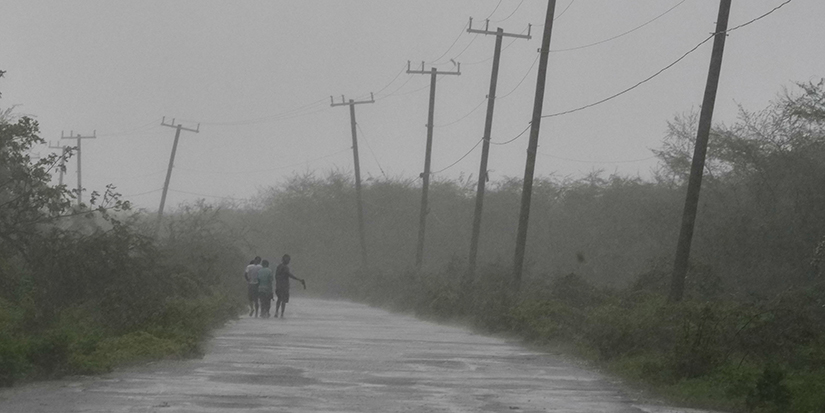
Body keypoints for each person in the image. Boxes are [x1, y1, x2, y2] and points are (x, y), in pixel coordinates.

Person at [274, 254, 305, 318]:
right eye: (288, 260)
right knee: (283, 300)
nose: (288, 261)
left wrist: (278, 283)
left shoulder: (279, 266)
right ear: (285, 260)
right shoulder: (285, 267)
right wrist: (299, 280)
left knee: (279, 299)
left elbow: (276, 276)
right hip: (284, 286)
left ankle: (276, 312)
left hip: (279, 286)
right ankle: (282, 314)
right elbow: (290, 275)